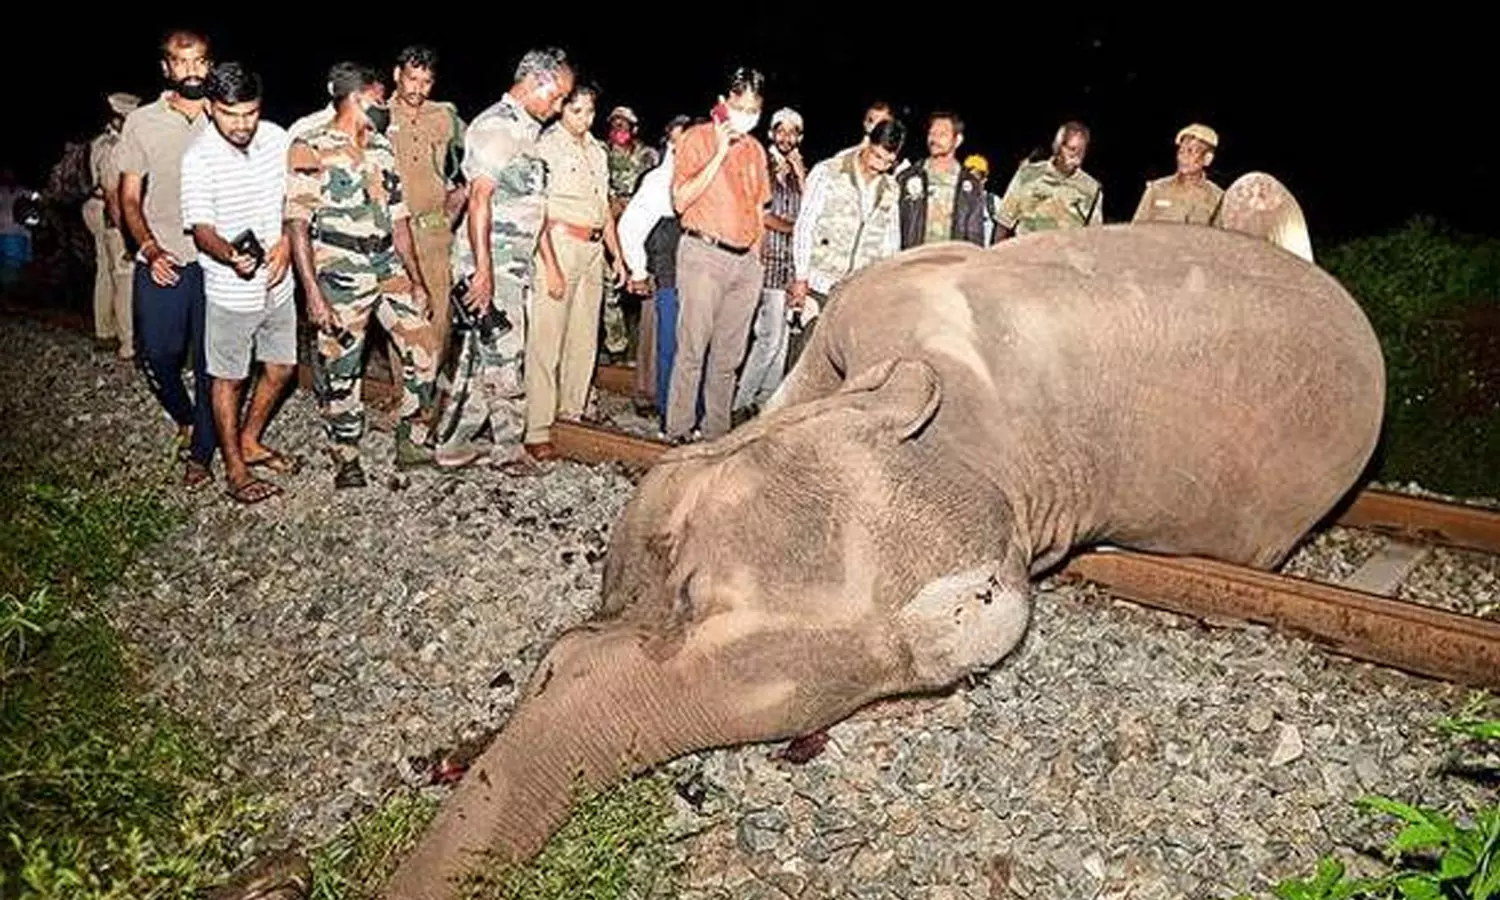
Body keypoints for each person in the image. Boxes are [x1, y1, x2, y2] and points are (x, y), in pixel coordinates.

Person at [285, 62, 440, 488]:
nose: (384, 104)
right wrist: (312, 294)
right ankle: (347, 454)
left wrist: (418, 280)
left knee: (424, 346)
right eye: (377, 97)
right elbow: (297, 225)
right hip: (340, 276)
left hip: (389, 269)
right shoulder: (309, 146)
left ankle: (413, 437)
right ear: (356, 98)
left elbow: (400, 221)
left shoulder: (382, 150)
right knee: (342, 367)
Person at [431, 48, 574, 473]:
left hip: (514, 266)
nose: (560, 105)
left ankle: (455, 444)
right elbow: (479, 201)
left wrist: (541, 263)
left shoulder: (529, 131)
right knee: (503, 354)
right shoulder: (497, 126)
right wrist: (484, 273)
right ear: (534, 82)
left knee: (489, 355)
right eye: (558, 95)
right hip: (490, 264)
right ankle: (507, 449)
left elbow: (533, 207)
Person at [180, 62, 298, 504]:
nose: (243, 124)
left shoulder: (276, 137)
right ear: (211, 109)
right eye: (232, 115)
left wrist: (286, 239)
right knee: (228, 377)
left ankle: (250, 438)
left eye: (250, 112)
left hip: (279, 282)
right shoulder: (198, 158)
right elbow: (202, 229)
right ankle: (234, 468)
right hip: (230, 290)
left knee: (282, 368)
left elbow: (294, 198)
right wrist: (230, 255)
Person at [115, 28, 218, 486]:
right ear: (166, 68)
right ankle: (185, 414)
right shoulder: (142, 122)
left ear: (210, 65)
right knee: (157, 354)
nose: (192, 70)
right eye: (182, 62)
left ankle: (201, 452)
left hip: (218, 262)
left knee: (214, 362)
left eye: (199, 61)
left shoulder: (227, 113)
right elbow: (129, 198)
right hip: (166, 256)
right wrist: (149, 247)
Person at [664, 66, 771, 442]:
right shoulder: (696, 138)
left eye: (755, 108)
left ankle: (715, 434)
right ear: (725, 103)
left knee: (728, 358)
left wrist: (756, 260)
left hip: (745, 263)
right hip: (704, 253)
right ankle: (677, 430)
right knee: (693, 349)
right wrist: (719, 154)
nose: (747, 116)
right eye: (741, 107)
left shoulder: (757, 151)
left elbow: (760, 209)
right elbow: (680, 200)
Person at [524, 80, 625, 458]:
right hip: (558, 244)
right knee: (547, 338)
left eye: (590, 111)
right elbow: (537, 211)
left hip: (593, 248)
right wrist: (549, 265)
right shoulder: (544, 146)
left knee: (584, 337)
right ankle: (536, 427)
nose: (584, 119)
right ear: (561, 108)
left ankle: (572, 411)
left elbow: (604, 210)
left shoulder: (597, 152)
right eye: (576, 110)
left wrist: (618, 258)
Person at [387, 44, 467, 371]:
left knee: (438, 315)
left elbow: (474, 158)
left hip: (435, 231)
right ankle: (404, 395)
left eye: (425, 82)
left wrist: (459, 198)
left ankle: (431, 392)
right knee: (401, 317)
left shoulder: (444, 116)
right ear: (397, 75)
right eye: (412, 79)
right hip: (393, 234)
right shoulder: (378, 115)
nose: (417, 88)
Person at [618, 114, 695, 430]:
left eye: (685, 140)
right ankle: (668, 411)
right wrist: (638, 269)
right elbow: (631, 227)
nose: (678, 146)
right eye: (673, 140)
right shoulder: (657, 179)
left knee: (694, 347)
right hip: (666, 273)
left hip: (700, 275)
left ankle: (696, 413)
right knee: (667, 346)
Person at [733, 106, 804, 418]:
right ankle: (739, 402)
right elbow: (759, 211)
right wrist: (793, 227)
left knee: (783, 341)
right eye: (781, 130)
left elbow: (810, 209)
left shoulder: (798, 170)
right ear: (772, 132)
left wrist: (802, 175)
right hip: (767, 259)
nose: (786, 137)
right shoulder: (761, 163)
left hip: (791, 265)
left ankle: (764, 404)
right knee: (769, 337)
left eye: (792, 131)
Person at [83, 92, 140, 358]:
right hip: (109, 210)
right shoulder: (116, 147)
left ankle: (104, 330)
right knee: (123, 273)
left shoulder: (99, 142)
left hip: (94, 208)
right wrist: (125, 232)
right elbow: (112, 193)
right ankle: (127, 343)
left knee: (104, 272)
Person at [994, 120, 1103, 238]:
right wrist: (995, 254)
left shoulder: (1092, 188)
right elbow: (1004, 222)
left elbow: (1094, 235)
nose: (1077, 158)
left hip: (1066, 254)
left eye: (1081, 152)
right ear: (1058, 147)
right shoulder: (1028, 174)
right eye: (1072, 149)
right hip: (1027, 251)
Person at [896, 111, 987, 247]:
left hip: (952, 263)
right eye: (932, 133)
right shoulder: (908, 177)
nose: (934, 139)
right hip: (913, 261)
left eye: (942, 134)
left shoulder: (971, 185)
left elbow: (975, 236)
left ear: (957, 140)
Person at [1131, 123, 1223, 225]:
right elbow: (1136, 231)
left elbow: (1221, 238)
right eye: (1181, 151)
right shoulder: (1156, 190)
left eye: (1191, 151)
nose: (1183, 158)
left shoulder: (1218, 198)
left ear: (1207, 159)